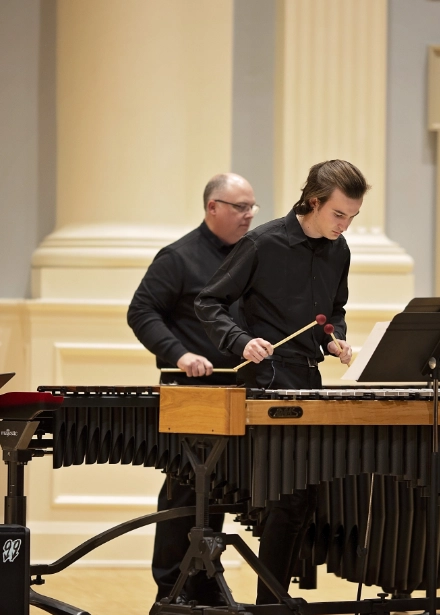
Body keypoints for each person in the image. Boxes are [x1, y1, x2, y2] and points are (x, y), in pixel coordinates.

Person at [194, 159, 370, 604]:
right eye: (338, 214)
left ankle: (273, 599)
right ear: (313, 202)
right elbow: (209, 302)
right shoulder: (263, 243)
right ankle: (270, 602)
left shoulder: (339, 250)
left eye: (352, 217)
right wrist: (240, 340)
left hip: (308, 381)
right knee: (286, 498)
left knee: (304, 498)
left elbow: (335, 311)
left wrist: (336, 340)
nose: (345, 225)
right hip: (267, 381)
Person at [127, 172, 258, 605]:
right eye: (240, 207)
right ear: (213, 208)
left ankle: (206, 582)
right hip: (190, 394)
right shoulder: (178, 257)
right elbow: (142, 312)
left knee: (220, 491)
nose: (249, 214)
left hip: (238, 394)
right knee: (187, 491)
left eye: (252, 206)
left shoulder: (250, 255)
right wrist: (179, 354)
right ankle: (173, 588)